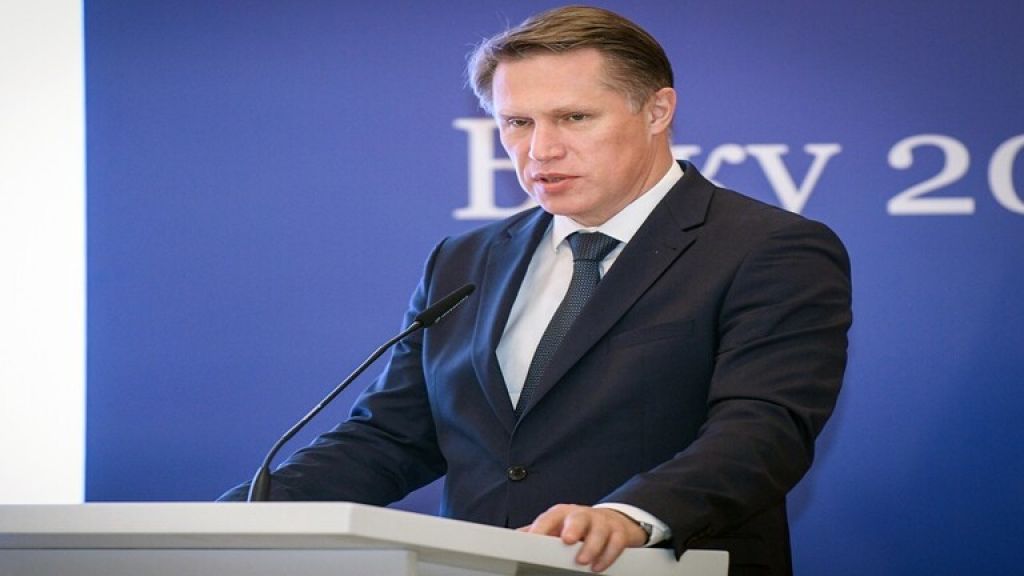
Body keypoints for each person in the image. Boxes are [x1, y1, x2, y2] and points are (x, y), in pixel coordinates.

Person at [220, 6, 852, 575]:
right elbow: (393, 436)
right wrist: (233, 519)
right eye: (517, 122)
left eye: (574, 117)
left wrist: (629, 516)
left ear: (657, 111)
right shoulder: (465, 259)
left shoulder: (768, 248)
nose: (541, 148)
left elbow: (763, 428)